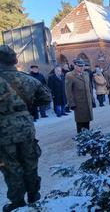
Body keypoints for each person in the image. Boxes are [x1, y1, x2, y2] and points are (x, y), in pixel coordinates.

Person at [0, 45, 51, 212]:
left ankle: (17, 202)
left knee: (10, 166)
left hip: (3, 131)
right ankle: (34, 195)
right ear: (15, 60)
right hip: (26, 126)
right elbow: (46, 98)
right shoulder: (29, 79)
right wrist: (26, 106)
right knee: (30, 161)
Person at [65, 58, 94, 133]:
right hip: (79, 103)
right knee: (80, 123)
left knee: (87, 121)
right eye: (79, 66)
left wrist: (92, 99)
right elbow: (68, 91)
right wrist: (71, 103)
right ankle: (81, 138)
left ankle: (88, 136)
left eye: (83, 66)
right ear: (75, 66)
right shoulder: (70, 75)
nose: (81, 68)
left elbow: (90, 87)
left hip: (87, 102)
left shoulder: (86, 74)